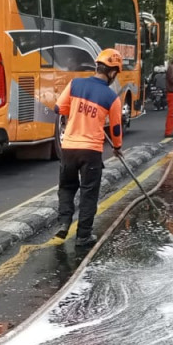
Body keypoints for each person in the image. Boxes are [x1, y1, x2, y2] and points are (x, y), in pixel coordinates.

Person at [53, 48, 124, 248]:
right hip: (91, 151)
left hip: (68, 148)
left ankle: (64, 222)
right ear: (112, 72)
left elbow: (59, 109)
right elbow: (116, 127)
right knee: (88, 193)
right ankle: (83, 235)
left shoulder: (75, 84)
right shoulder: (112, 98)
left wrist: (76, 114)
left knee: (66, 187)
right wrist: (117, 147)